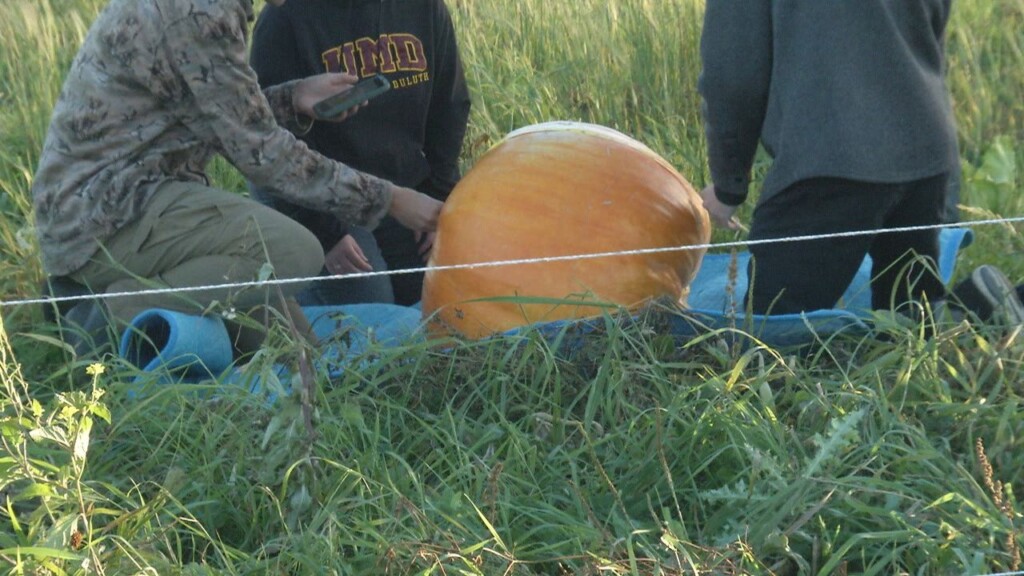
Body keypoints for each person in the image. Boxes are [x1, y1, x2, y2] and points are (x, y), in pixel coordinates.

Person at [31, 0, 443, 357]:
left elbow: (215, 112)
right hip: (108, 215)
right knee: (294, 251)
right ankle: (102, 317)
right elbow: (264, 155)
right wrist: (390, 199)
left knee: (298, 354)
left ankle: (132, 301)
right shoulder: (202, 11)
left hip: (135, 198)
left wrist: (294, 97)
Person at [696, 0, 1023, 325]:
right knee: (906, 323)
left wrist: (729, 186)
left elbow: (732, 77)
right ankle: (977, 311)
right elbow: (932, 47)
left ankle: (976, 313)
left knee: (770, 334)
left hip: (830, 163)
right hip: (927, 154)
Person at [248, 0, 471, 307]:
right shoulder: (283, 18)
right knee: (371, 310)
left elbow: (450, 109)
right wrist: (324, 234)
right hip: (323, 201)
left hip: (405, 191)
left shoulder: (426, 8)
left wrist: (440, 199)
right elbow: (263, 141)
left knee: (437, 303)